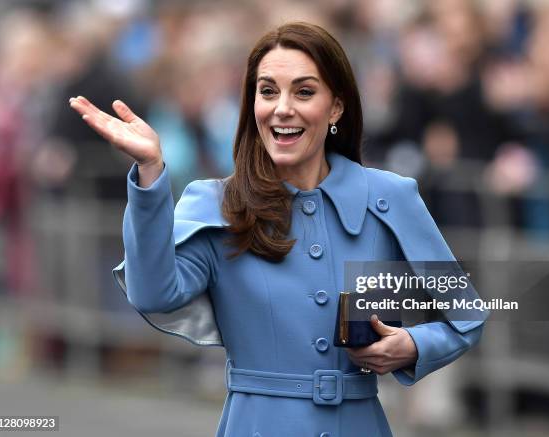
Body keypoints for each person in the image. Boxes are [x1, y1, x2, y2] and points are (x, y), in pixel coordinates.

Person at [69, 21, 486, 437]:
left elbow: (466, 316)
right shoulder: (217, 203)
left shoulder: (390, 198)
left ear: (336, 107)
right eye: (267, 91)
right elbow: (152, 293)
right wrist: (149, 173)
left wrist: (412, 346)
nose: (282, 107)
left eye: (304, 91)